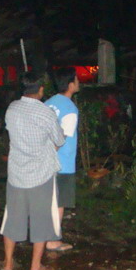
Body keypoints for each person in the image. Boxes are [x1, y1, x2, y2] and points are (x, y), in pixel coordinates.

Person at [0, 71, 65, 270]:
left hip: (17, 173)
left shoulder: (12, 109)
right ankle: (35, 267)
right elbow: (59, 140)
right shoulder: (46, 113)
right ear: (41, 89)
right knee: (41, 220)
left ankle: (8, 263)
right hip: (41, 175)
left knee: (12, 218)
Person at [44, 68, 80, 254]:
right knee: (58, 203)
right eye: (77, 80)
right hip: (62, 164)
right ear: (70, 84)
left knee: (47, 201)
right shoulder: (70, 109)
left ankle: (43, 237)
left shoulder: (47, 103)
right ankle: (53, 240)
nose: (79, 82)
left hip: (43, 162)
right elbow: (61, 140)